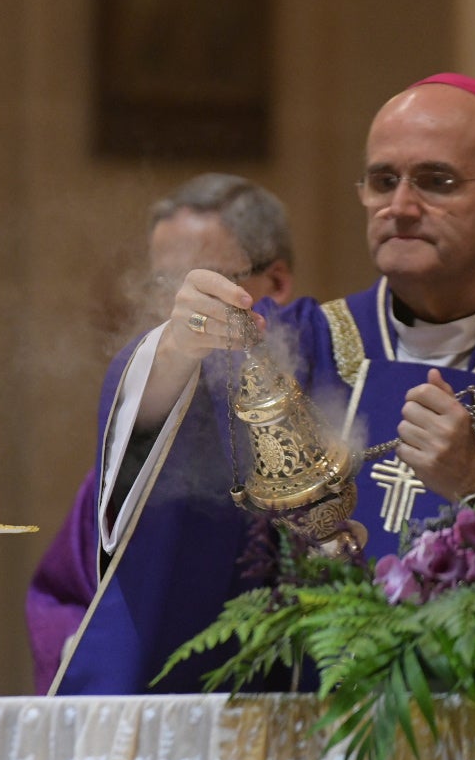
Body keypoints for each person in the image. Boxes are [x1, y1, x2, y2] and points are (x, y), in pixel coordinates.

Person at [55, 73, 475, 695]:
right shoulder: (296, 344)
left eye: (436, 181)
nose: (401, 207)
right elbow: (172, 470)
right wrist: (174, 351)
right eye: (383, 180)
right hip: (298, 737)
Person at [26, 174, 295, 693]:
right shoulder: (149, 421)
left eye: (203, 283)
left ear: (277, 283)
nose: (182, 308)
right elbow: (62, 598)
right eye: (164, 287)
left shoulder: (327, 376)